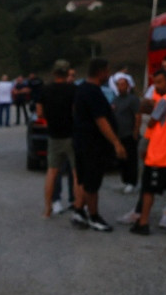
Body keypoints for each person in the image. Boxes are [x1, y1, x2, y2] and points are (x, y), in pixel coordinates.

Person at [69, 58, 126, 232]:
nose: (108, 75)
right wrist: (116, 143)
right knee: (92, 183)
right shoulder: (93, 92)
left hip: (80, 141)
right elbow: (101, 120)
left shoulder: (81, 90)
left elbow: (75, 111)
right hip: (92, 144)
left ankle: (78, 210)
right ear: (100, 72)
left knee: (84, 179)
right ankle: (94, 217)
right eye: (107, 71)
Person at [130, 70, 166, 237]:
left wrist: (148, 110)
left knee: (148, 189)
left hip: (160, 153)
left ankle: (143, 223)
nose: (157, 86)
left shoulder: (164, 101)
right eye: (155, 83)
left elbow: (153, 122)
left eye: (160, 82)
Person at [37, 61, 78, 218]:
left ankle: (48, 209)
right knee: (76, 173)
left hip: (54, 136)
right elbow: (77, 111)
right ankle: (77, 206)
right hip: (71, 135)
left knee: (52, 172)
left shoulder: (45, 90)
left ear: (54, 73)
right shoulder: (74, 90)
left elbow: (40, 113)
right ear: (68, 73)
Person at [109, 72, 140, 193]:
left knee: (131, 159)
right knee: (121, 159)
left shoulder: (132, 99)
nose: (120, 87)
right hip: (118, 134)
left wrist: (136, 131)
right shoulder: (115, 99)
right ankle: (125, 180)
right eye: (119, 85)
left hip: (129, 134)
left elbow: (137, 116)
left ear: (128, 86)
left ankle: (132, 181)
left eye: (123, 85)